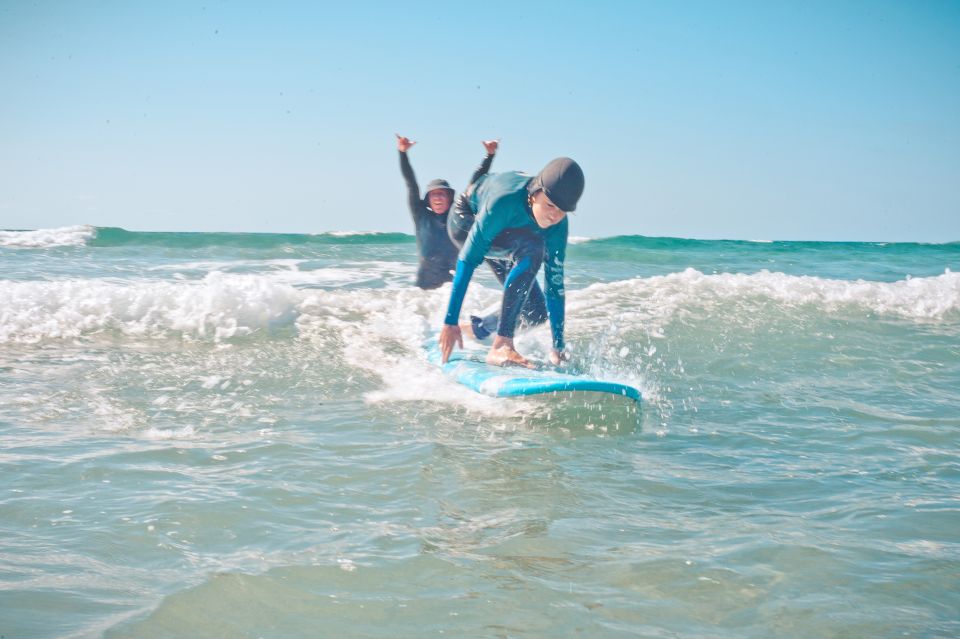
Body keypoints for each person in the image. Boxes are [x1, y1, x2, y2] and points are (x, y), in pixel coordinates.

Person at [439, 157, 585, 368]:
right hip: (466, 219)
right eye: (550, 205)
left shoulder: (558, 225)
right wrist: (449, 322)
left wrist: (558, 347)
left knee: (536, 312)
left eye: (562, 211)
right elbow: (467, 261)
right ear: (535, 194)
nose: (554, 215)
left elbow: (555, 286)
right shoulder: (505, 201)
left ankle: (476, 329)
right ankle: (501, 345)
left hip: (511, 232)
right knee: (533, 248)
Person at [396, 134, 498, 289]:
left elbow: (474, 184)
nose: (438, 197)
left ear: (450, 198)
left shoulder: (457, 214)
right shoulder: (421, 215)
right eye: (434, 194)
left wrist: (489, 156)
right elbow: (411, 184)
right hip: (424, 289)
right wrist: (402, 153)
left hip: (452, 286)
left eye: (442, 194)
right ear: (428, 199)